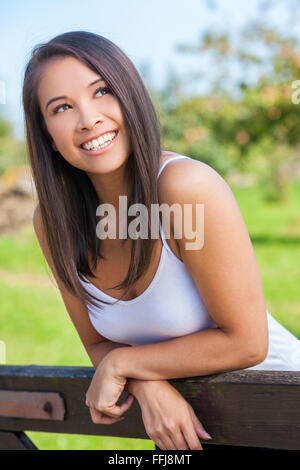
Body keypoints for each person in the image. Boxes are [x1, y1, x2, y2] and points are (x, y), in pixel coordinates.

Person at [23, 30, 300, 451]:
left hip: (278, 411)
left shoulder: (185, 186)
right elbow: (98, 344)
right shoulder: (54, 223)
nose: (88, 118)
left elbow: (247, 343)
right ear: (47, 136)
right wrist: (147, 384)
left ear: (130, 94)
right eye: (62, 107)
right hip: (193, 433)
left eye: (102, 91)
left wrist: (124, 362)